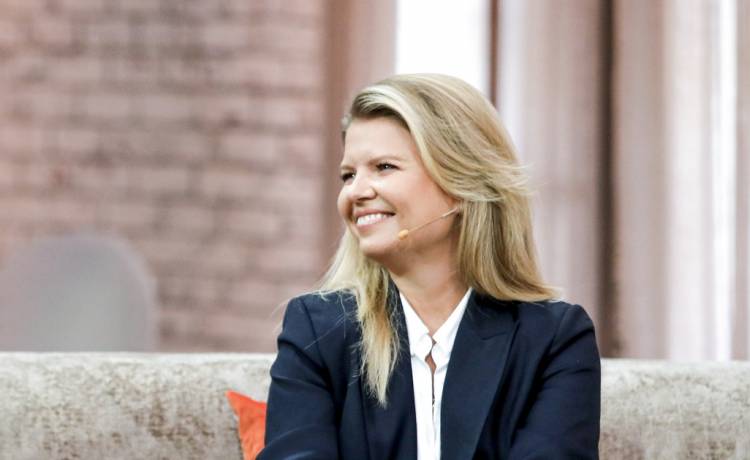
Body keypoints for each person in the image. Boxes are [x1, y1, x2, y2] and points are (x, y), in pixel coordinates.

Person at [258, 74, 600, 460]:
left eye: (384, 167)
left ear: (461, 183)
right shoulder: (318, 331)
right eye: (349, 175)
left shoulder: (554, 341)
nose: (356, 191)